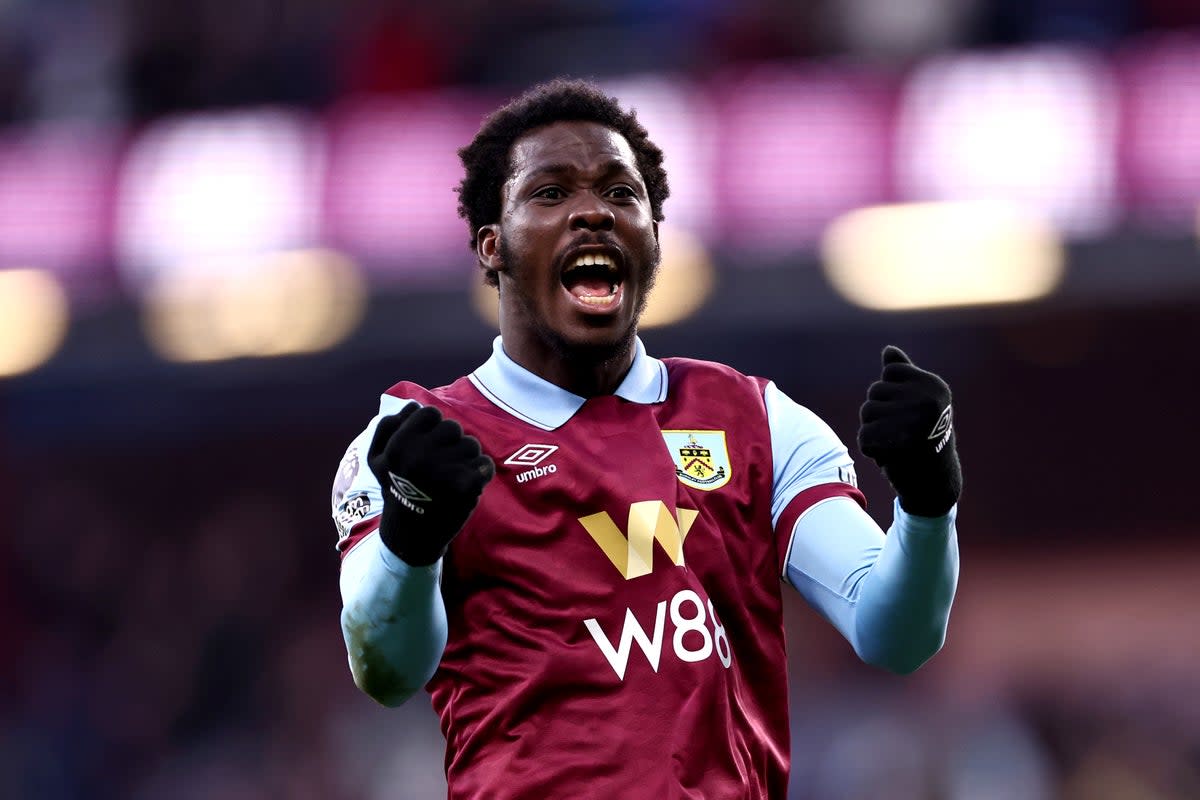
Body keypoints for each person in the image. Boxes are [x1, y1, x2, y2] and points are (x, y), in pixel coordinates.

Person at [332, 78, 962, 799]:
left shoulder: (757, 419)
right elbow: (384, 672)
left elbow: (896, 634)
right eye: (549, 194)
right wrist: (411, 546)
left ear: (654, 241)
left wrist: (926, 500)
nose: (593, 212)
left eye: (621, 194)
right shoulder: (414, 442)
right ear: (492, 247)